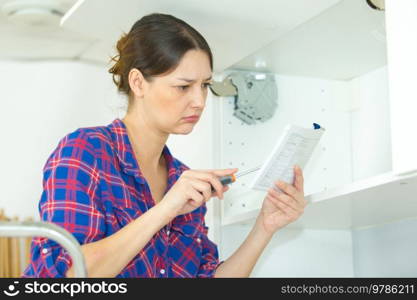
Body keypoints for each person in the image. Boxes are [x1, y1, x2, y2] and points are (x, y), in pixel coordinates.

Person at [22, 13, 307, 278]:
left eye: (205, 85)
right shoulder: (85, 152)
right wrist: (165, 210)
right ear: (138, 83)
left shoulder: (183, 181)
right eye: (183, 86)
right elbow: (68, 275)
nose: (199, 100)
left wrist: (265, 227)